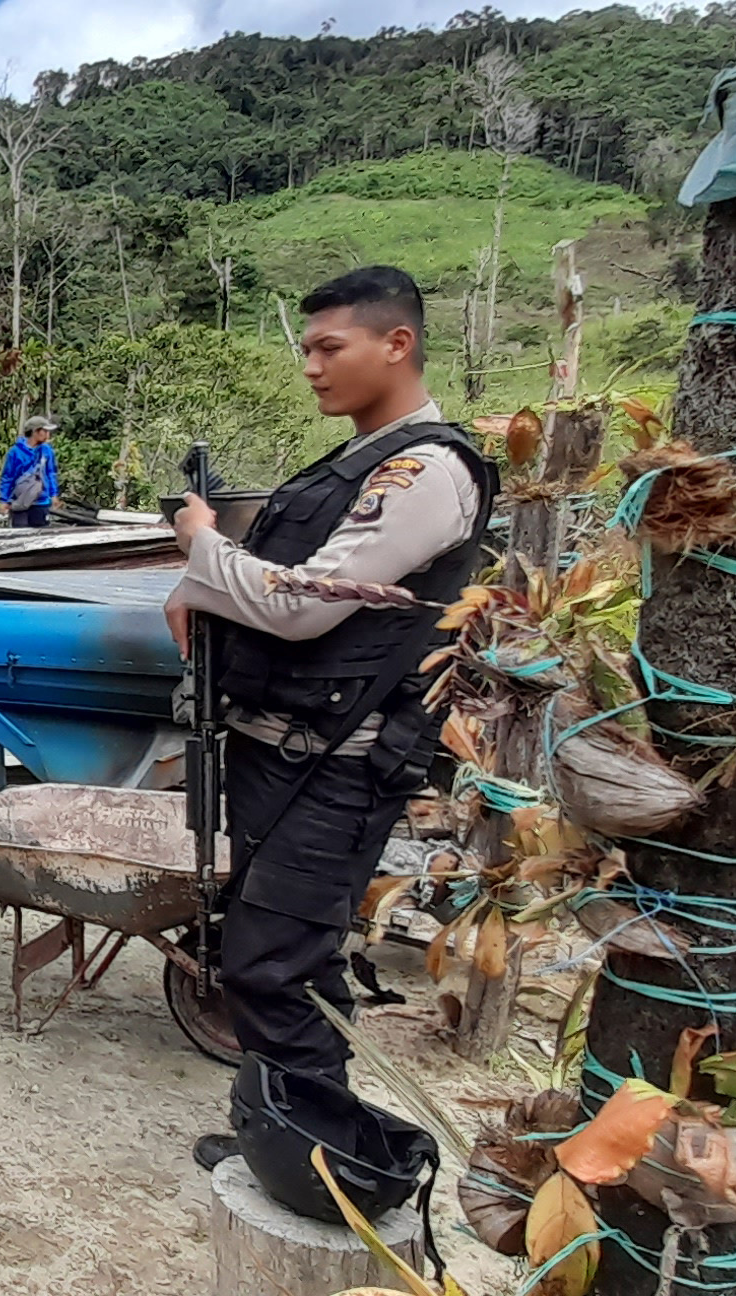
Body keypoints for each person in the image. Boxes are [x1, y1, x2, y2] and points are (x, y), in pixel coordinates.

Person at [163, 266, 492, 1169]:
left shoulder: (427, 470)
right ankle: (288, 1139)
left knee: (272, 966)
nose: (310, 367)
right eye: (305, 349)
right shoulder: (362, 459)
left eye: (328, 347)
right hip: (284, 753)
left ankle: (320, 1170)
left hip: (336, 764)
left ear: (398, 344)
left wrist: (202, 548)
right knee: (285, 962)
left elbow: (303, 604)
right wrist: (207, 586)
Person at [0, 415, 59, 529]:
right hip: (19, 501)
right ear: (35, 432)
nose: (47, 434)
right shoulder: (15, 452)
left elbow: (51, 473)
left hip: (41, 502)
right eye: (44, 431)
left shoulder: (47, 451)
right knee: (19, 536)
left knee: (41, 536)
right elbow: (8, 477)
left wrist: (53, 494)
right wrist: (4, 500)